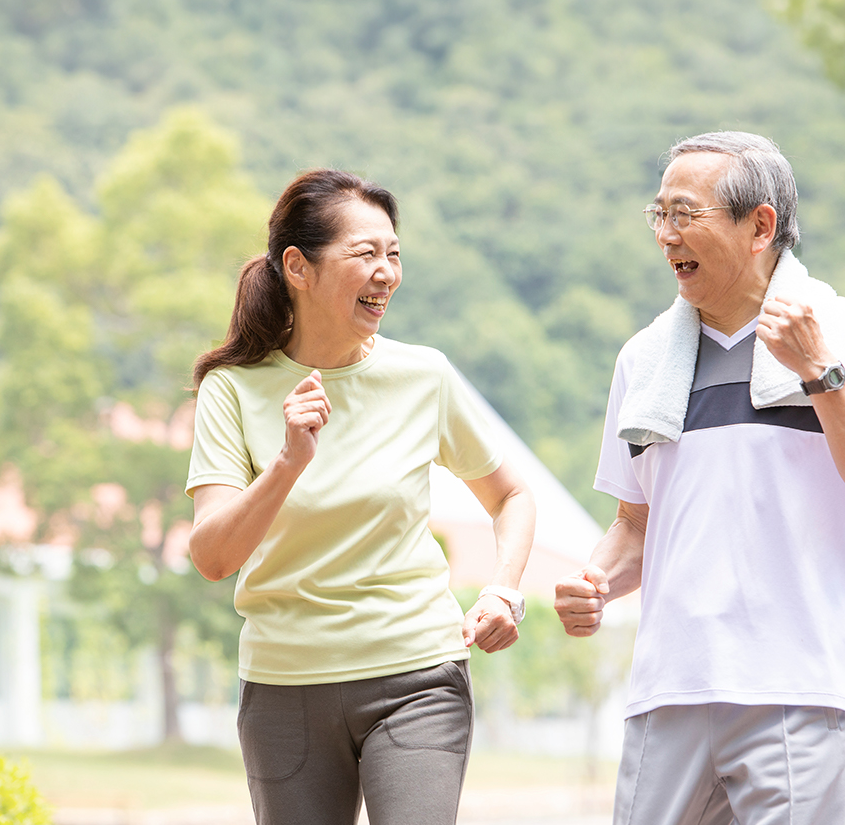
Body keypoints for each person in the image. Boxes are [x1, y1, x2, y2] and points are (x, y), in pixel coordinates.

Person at [187, 168, 536, 825]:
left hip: (416, 673)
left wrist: (503, 589)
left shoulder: (421, 376)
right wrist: (288, 461)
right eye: (365, 254)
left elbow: (512, 494)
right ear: (298, 266)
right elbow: (212, 555)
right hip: (284, 686)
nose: (387, 273)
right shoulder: (232, 390)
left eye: (393, 254)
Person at [555, 132, 845, 824]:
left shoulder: (833, 331)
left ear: (761, 226)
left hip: (798, 687)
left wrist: (820, 375)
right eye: (660, 215)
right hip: (669, 690)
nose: (666, 236)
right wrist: (594, 582)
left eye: (684, 214)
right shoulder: (646, 360)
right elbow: (636, 526)